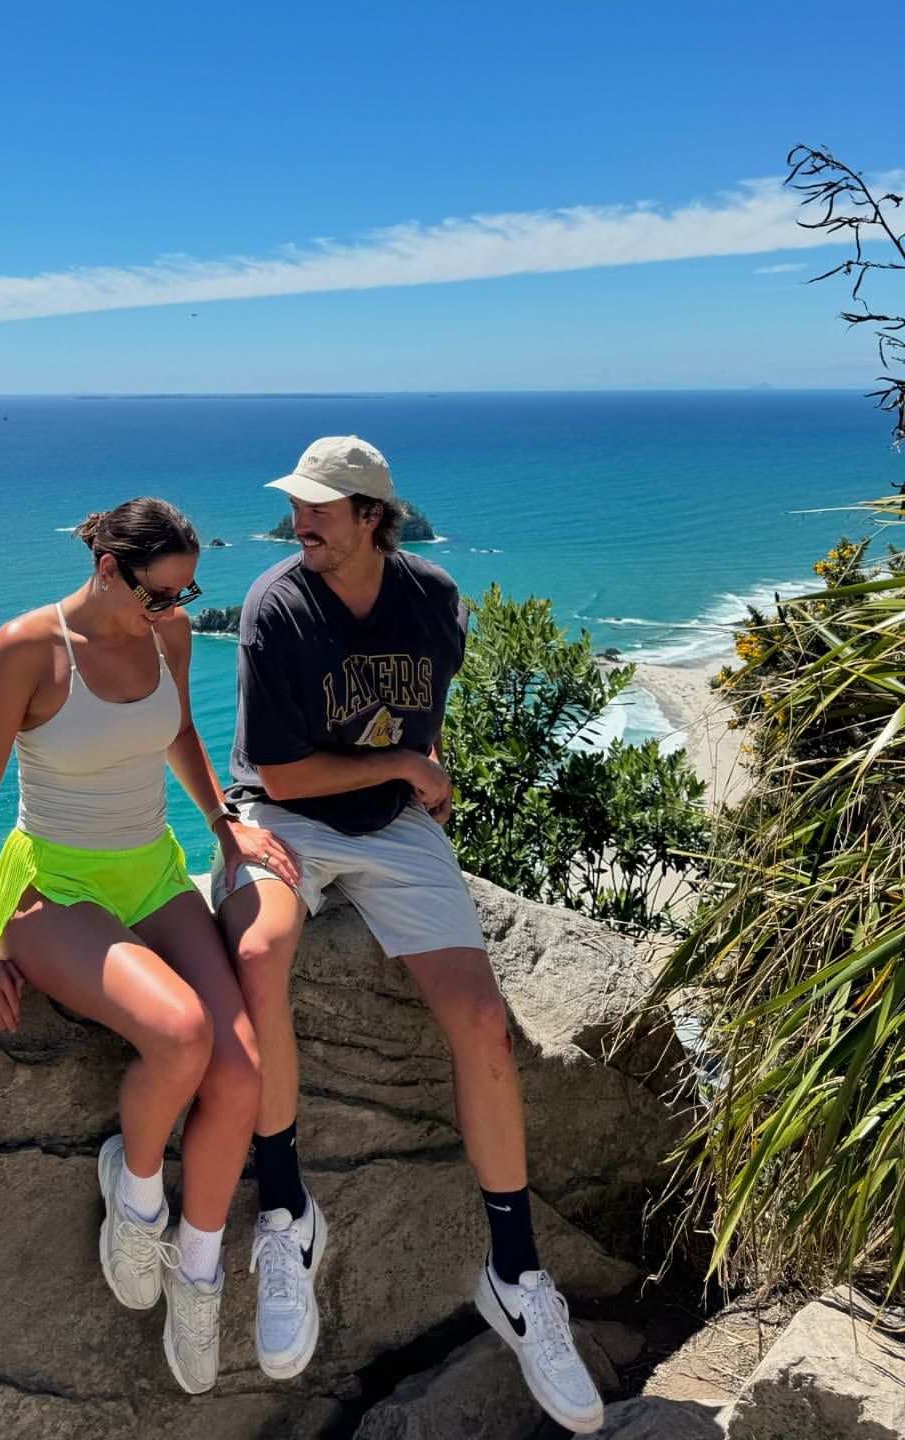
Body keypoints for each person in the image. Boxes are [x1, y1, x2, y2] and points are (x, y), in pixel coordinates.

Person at [212, 438, 604, 1434]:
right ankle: (290, 1215)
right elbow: (281, 774)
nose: (300, 520)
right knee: (258, 955)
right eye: (298, 505)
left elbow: (425, 706)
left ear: (373, 518)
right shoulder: (274, 607)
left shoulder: (433, 598)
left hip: (392, 827)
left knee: (482, 1023)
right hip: (283, 817)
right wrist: (410, 770)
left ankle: (516, 1275)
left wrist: (417, 769)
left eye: (321, 507)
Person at [0, 497, 299, 1396]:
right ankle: (136, 1200)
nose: (175, 611)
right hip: (55, 887)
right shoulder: (27, 649)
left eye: (186, 594)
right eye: (161, 594)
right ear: (109, 569)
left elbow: (175, 729)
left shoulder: (167, 635)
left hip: (152, 871)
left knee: (241, 1076)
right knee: (180, 1034)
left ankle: (199, 1272)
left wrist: (223, 823)